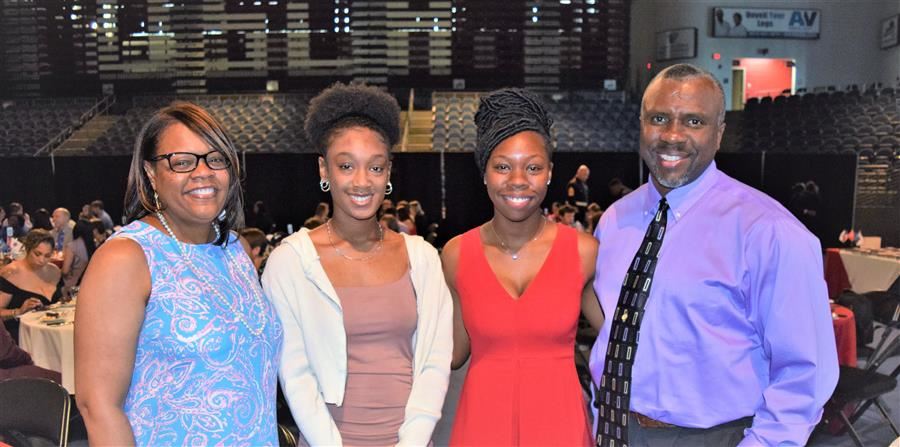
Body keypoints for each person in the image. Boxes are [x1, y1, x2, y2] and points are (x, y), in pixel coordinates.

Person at [589, 63, 838, 447]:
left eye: (693, 121)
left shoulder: (769, 232)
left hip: (713, 437)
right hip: (612, 429)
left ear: (719, 133)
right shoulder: (614, 221)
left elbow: (806, 373)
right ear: (640, 124)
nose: (672, 135)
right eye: (659, 118)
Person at [74, 102, 283, 446]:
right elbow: (97, 405)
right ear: (151, 173)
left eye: (216, 159)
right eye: (182, 162)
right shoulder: (126, 257)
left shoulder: (235, 249)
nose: (203, 172)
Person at [262, 82, 452, 446]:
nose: (362, 182)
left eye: (375, 167)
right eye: (346, 165)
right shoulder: (290, 262)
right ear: (324, 169)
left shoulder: (422, 258)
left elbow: (434, 363)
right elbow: (295, 373)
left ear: (389, 171)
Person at [443, 88, 603, 446]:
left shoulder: (583, 251)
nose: (518, 180)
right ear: (483, 173)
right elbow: (453, 353)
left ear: (549, 173)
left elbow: (620, 340)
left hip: (560, 429)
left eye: (532, 167)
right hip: (480, 429)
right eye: (502, 166)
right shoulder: (456, 254)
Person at [0, 229, 61, 341]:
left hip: (51, 332)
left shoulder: (55, 271)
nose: (42, 260)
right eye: (37, 254)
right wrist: (18, 311)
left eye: (47, 256)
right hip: (18, 336)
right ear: (28, 249)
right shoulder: (11, 272)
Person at [61, 218, 102, 289]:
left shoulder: (72, 246)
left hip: (70, 284)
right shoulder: (94, 246)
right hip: (89, 284)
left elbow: (65, 271)